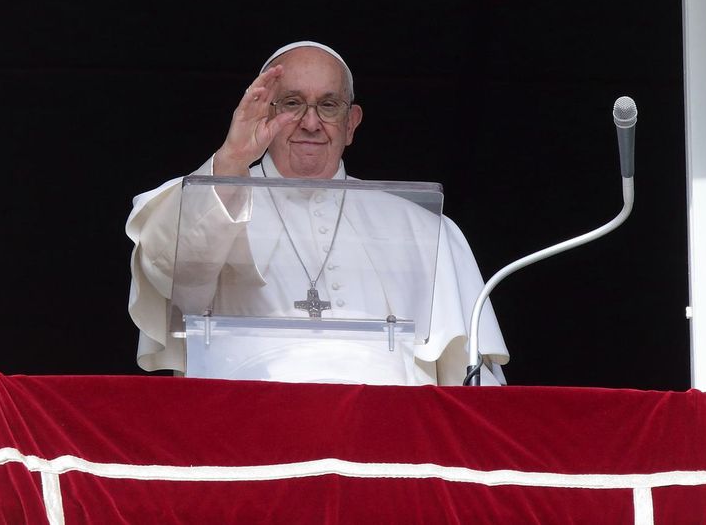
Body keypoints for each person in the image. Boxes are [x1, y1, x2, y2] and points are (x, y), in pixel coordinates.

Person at [125, 41, 509, 385]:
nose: (310, 123)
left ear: (351, 123)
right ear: (262, 114)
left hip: (388, 439)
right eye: (292, 104)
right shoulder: (209, 196)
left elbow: (472, 381)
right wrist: (233, 158)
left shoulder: (424, 230)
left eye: (328, 105)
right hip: (243, 430)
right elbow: (173, 272)